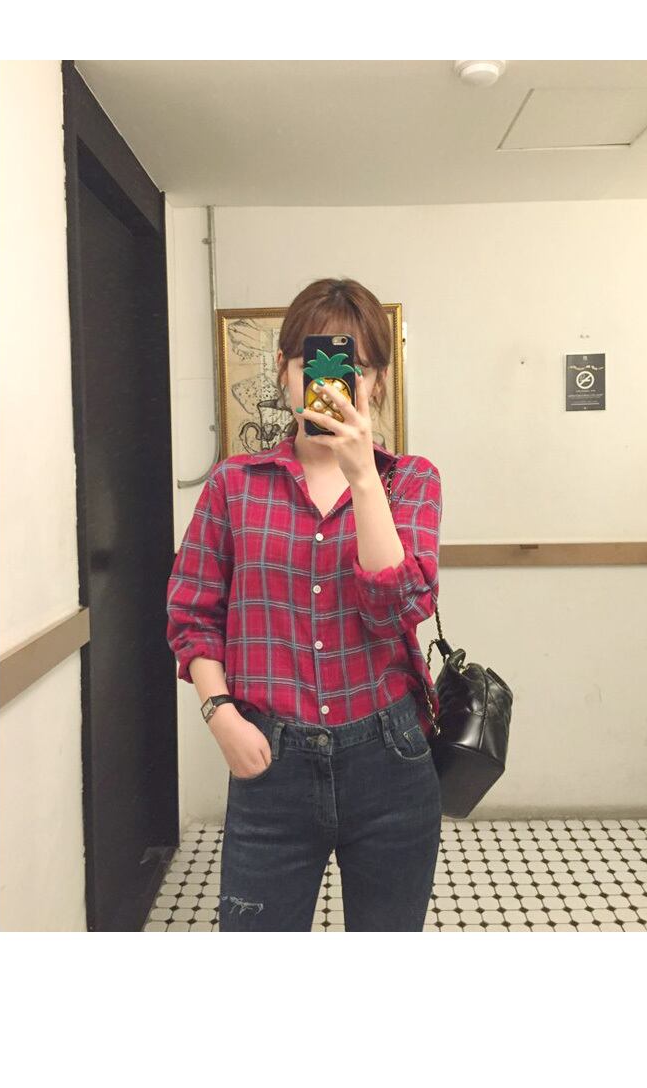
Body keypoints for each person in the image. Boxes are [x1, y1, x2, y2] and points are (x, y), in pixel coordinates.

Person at [166, 277, 443, 931]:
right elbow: (192, 614)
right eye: (312, 364)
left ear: (377, 384)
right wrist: (220, 715)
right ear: (285, 373)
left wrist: (362, 478)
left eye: (356, 367)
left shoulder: (410, 481)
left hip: (390, 756)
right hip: (269, 759)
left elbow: (396, 611)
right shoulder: (234, 485)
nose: (333, 384)